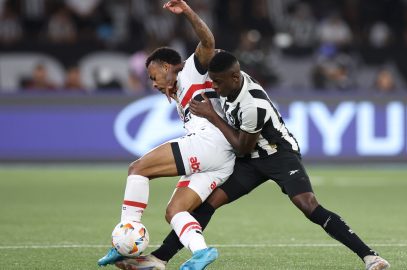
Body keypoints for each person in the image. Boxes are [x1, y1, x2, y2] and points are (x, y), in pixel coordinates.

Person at [117, 51, 391, 270]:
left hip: (277, 154)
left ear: (235, 78)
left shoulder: (252, 105)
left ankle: (369, 256)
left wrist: (211, 115)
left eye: (218, 82)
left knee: (308, 206)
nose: (213, 86)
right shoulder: (226, 82)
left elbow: (240, 145)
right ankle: (160, 258)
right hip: (250, 160)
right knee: (209, 203)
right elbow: (213, 53)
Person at [97, 1, 235, 270]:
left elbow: (207, 40)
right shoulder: (179, 92)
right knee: (175, 212)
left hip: (209, 142)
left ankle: (124, 237)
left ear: (165, 66)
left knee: (138, 169)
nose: (154, 84)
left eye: (153, 76)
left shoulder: (192, 69)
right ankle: (202, 252)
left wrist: (186, 11)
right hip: (221, 161)